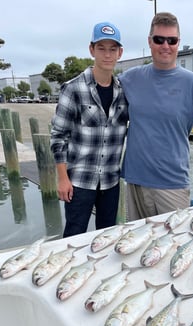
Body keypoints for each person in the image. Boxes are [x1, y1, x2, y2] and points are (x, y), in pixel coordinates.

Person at [119, 12, 193, 221]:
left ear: (178, 43)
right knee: (136, 248)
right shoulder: (130, 78)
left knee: (173, 245)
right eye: (159, 39)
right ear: (150, 42)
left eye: (172, 40)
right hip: (135, 181)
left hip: (172, 185)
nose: (165, 45)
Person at [50, 22, 128, 237]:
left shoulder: (124, 91)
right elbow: (58, 137)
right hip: (79, 181)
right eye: (101, 48)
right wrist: (62, 178)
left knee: (106, 237)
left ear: (120, 53)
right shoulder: (72, 88)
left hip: (111, 181)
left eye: (113, 49)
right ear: (91, 49)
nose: (107, 55)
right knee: (74, 236)